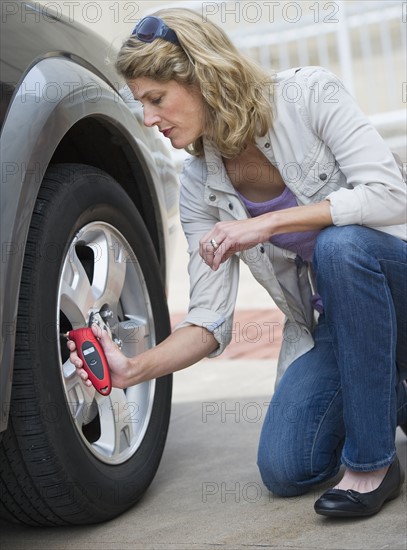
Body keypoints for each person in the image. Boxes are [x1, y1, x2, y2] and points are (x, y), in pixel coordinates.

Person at [68, 8, 407, 518]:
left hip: (395, 281)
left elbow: (391, 196)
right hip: (342, 325)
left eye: (156, 99)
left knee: (342, 246)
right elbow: (208, 321)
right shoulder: (199, 185)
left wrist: (266, 223)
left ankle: (373, 465)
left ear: (203, 77)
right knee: (286, 466)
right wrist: (133, 369)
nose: (149, 119)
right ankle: (386, 396)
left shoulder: (308, 95)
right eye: (141, 104)